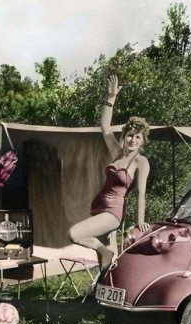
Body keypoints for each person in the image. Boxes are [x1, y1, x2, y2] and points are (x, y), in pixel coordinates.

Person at [69, 75, 151, 273]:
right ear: (124, 137)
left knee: (74, 233)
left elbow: (141, 193)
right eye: (130, 136)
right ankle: (104, 285)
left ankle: (105, 253)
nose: (132, 140)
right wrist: (111, 98)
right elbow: (105, 127)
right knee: (104, 263)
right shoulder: (116, 152)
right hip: (99, 207)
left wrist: (140, 219)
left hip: (113, 213)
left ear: (142, 141)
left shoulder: (141, 161)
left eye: (137, 137)